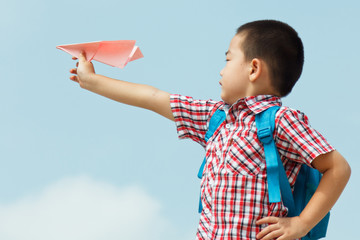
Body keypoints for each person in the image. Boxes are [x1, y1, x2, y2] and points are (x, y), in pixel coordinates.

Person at [68, 20, 351, 240]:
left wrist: (301, 224)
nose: (221, 71)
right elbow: (153, 97)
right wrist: (92, 82)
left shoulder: (282, 121)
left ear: (253, 69)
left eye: (228, 60)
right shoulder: (215, 118)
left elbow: (337, 168)